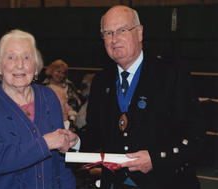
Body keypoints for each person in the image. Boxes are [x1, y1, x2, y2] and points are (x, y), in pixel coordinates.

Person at [81, 5, 205, 189]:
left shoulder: (172, 74)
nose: (114, 39)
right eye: (108, 33)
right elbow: (95, 133)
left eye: (122, 30)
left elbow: (196, 139)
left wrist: (155, 159)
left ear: (139, 33)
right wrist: (73, 141)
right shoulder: (101, 81)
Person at [0, 29, 79, 189]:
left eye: (27, 57)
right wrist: (45, 143)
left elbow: (61, 161)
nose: (20, 64)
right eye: (11, 57)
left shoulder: (49, 97)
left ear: (36, 67)